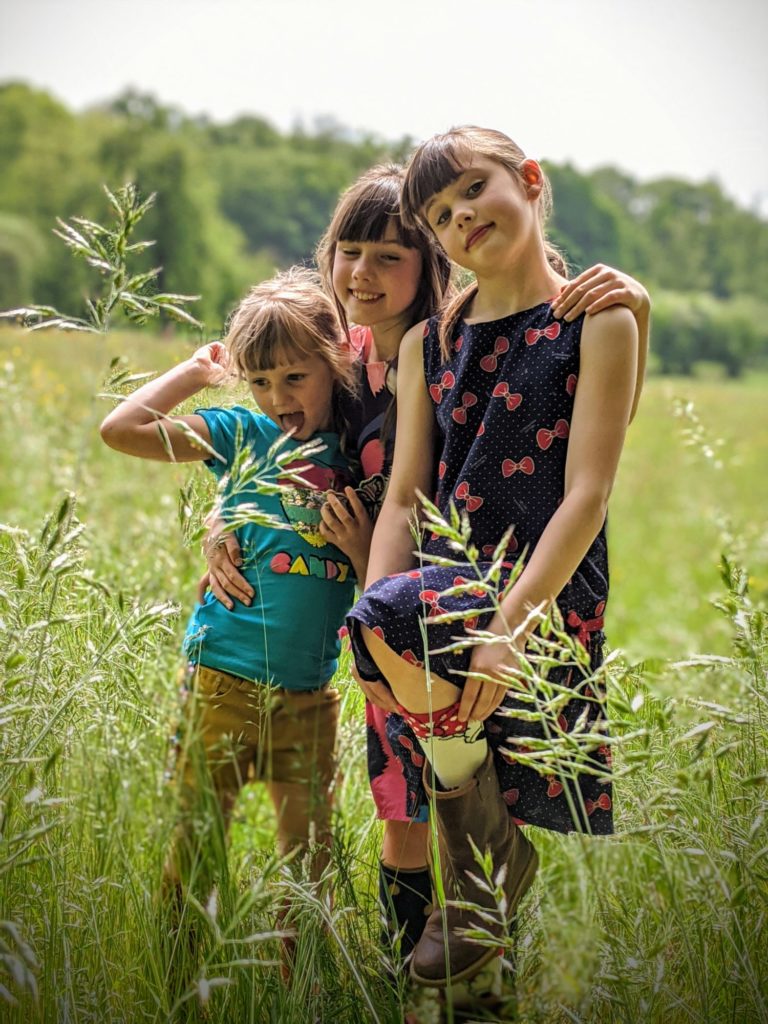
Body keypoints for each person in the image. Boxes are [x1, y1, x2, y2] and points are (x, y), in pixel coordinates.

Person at [202, 162, 650, 971]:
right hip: (392, 603)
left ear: (432, 261)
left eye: (390, 254)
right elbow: (272, 445)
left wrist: (638, 310)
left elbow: (585, 451)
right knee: (398, 803)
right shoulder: (334, 371)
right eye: (348, 251)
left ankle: (472, 945)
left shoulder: (460, 341)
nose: (361, 273)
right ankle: (406, 971)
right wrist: (224, 515)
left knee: (461, 792)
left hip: (467, 588)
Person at [345, 126, 641, 989]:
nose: (460, 217)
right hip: (444, 580)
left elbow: (588, 493)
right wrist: (369, 621)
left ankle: (485, 880)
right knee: (390, 634)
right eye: (440, 214)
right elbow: (402, 496)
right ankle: (489, 877)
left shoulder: (599, 318)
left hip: (544, 585)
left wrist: (510, 629)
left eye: (473, 190)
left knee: (466, 763)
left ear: (531, 180)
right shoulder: (427, 345)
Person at [99, 267, 360, 922]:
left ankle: (296, 981)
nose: (277, 396)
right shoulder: (242, 435)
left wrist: (356, 549)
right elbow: (121, 429)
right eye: (262, 380)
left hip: (308, 693)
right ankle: (179, 972)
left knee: (309, 856)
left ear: (338, 358)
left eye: (295, 377)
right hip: (221, 680)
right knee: (196, 842)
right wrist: (194, 372)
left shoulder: (362, 451)